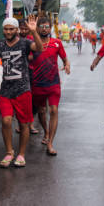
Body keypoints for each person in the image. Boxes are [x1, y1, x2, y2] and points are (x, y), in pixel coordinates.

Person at [0, 15, 44, 168]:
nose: (8, 32)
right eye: (6, 29)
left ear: (17, 30)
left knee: (24, 124)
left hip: (23, 89)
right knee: (6, 121)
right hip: (6, 90)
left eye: (11, 29)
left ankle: (21, 154)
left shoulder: (25, 43)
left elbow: (39, 48)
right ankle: (9, 152)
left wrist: (34, 32)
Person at [30, 17, 70, 156]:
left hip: (53, 83)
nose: (44, 29)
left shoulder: (57, 43)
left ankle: (50, 143)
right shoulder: (32, 43)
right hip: (38, 84)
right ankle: (46, 132)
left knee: (53, 110)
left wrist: (66, 65)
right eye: (42, 26)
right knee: (41, 111)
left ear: (50, 28)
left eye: (47, 27)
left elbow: (64, 58)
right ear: (37, 28)